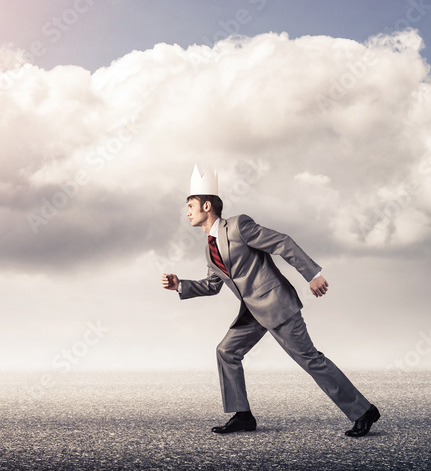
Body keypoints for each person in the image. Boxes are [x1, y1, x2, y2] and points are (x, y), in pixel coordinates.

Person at [160, 165, 380, 437]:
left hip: (277, 305)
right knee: (226, 352)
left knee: (310, 359)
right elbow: (213, 285)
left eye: (191, 205)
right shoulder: (209, 249)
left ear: (207, 205)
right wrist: (180, 285)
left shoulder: (239, 225)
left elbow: (282, 242)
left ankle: (363, 411)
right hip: (252, 311)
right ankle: (243, 416)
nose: (187, 211)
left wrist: (312, 274)